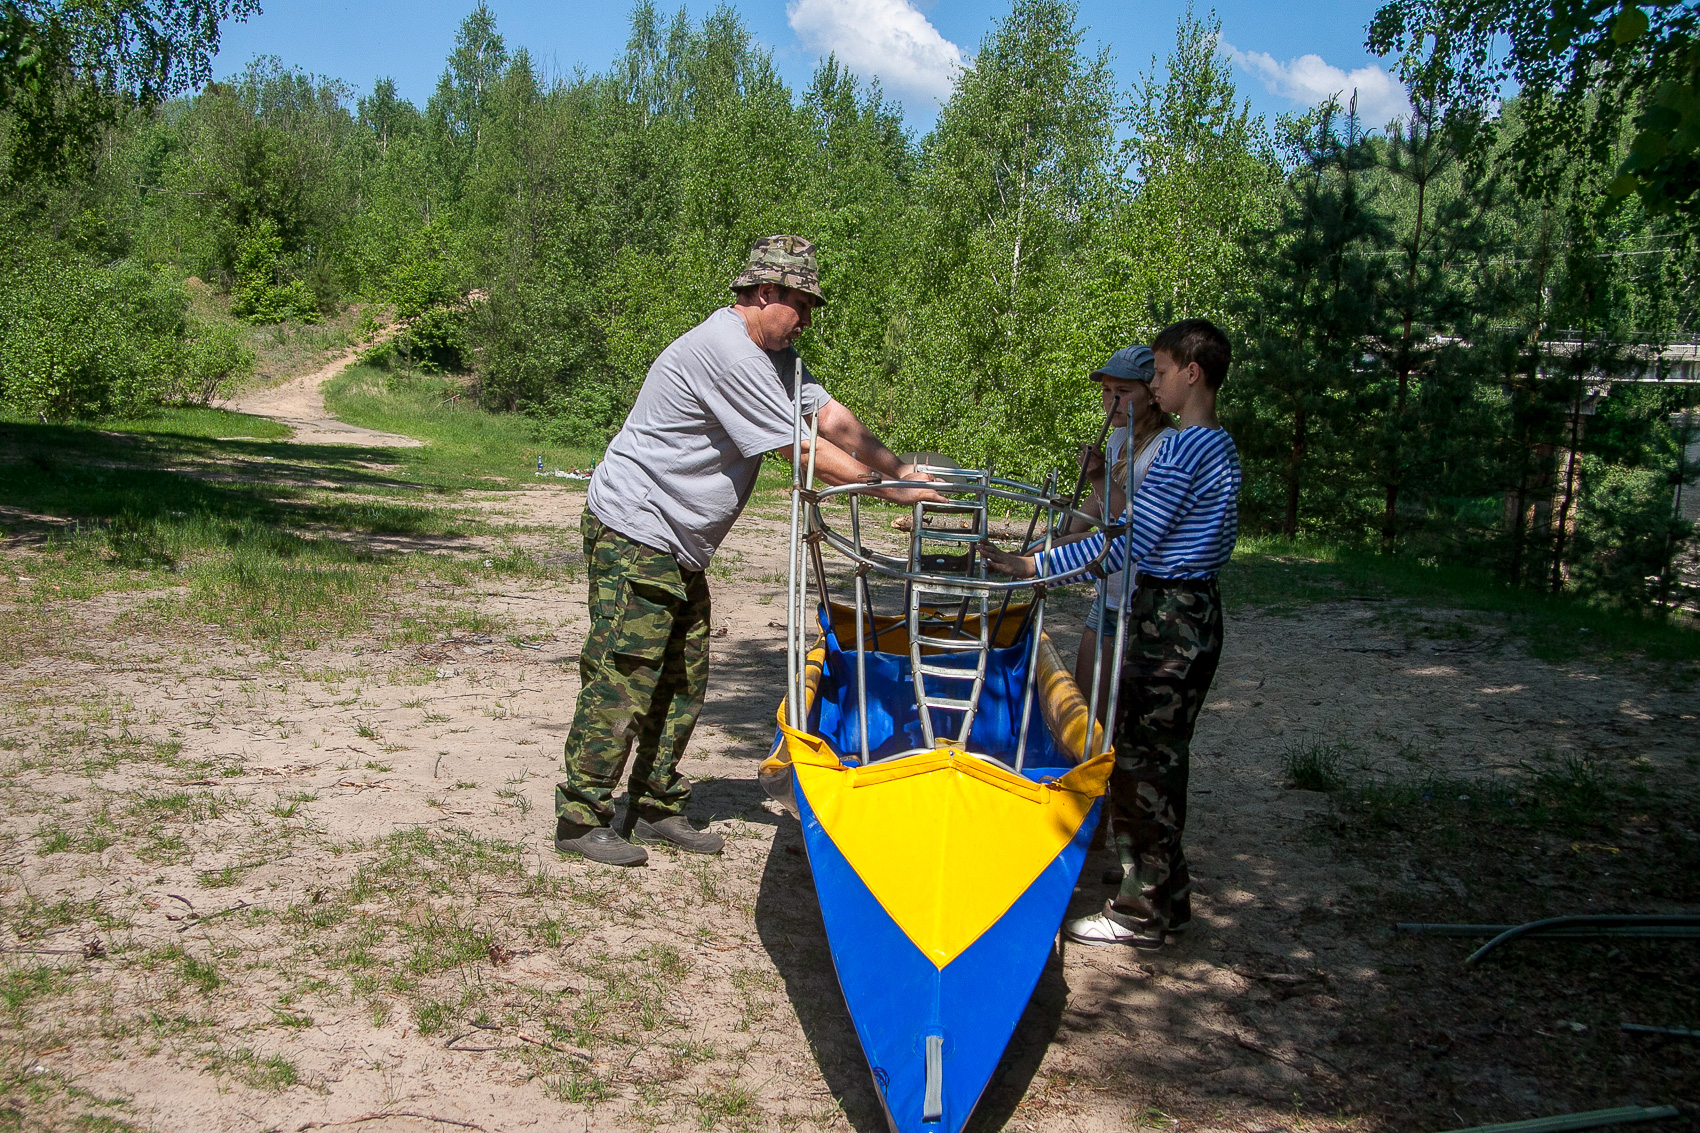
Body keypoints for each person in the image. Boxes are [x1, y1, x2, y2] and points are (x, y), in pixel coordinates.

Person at [554, 235, 943, 867]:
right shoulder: (728, 352)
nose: (807, 320)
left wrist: (900, 467)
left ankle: (654, 805)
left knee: (682, 677)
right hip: (637, 531)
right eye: (801, 305)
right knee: (626, 673)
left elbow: (831, 420)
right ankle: (580, 817)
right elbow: (800, 448)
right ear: (766, 293)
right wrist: (889, 489)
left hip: (676, 541)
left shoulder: (776, 358)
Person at [980, 318, 1240, 949]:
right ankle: (1166, 899)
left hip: (1168, 615)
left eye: (1160, 371)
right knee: (1156, 759)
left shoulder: (1183, 449)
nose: (1155, 382)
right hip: (1190, 609)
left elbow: (1125, 542)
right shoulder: (1220, 446)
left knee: (1142, 766)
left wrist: (1033, 566)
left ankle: (1141, 912)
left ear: (1191, 373)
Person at [1054, 345, 1178, 715]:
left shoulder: (1166, 448)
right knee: (1085, 706)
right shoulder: (1118, 440)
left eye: (1123, 392)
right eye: (1107, 391)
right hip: (1109, 592)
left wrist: (1098, 477)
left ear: (1152, 395)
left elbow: (1136, 524)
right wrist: (1056, 539)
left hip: (1139, 600)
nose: (1112, 401)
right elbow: (1098, 506)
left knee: (1121, 713)